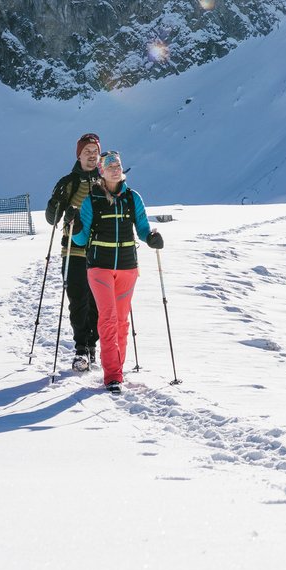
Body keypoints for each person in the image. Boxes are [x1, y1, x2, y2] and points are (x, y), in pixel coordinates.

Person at [72, 151, 163, 394]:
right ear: (101, 171)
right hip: (99, 268)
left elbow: (142, 229)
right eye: (109, 165)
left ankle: (117, 371)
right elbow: (81, 240)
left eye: (118, 165)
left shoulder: (133, 199)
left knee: (122, 322)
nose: (115, 168)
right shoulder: (92, 200)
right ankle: (112, 375)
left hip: (127, 267)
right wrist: (76, 226)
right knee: (109, 318)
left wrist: (152, 237)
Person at [45, 133, 102, 372]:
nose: (91, 155)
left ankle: (93, 346)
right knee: (78, 301)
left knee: (99, 303)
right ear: (78, 155)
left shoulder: (106, 181)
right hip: (73, 250)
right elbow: (51, 219)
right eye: (86, 151)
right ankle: (81, 349)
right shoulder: (68, 183)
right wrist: (57, 205)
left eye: (95, 151)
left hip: (101, 249)